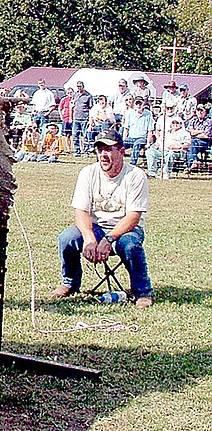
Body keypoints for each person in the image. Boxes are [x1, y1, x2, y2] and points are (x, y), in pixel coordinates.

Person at [51, 129, 153, 308]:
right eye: (100, 150)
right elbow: (81, 211)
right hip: (96, 228)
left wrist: (109, 239)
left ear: (121, 152)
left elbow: (133, 216)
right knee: (66, 239)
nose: (103, 155)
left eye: (108, 149)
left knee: (131, 246)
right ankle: (69, 283)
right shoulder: (88, 173)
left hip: (125, 230)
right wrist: (90, 238)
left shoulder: (136, 175)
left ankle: (142, 292)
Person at [121, 97, 154, 166]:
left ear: (144, 104)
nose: (138, 106)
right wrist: (124, 140)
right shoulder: (130, 113)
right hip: (131, 137)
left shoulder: (148, 114)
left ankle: (132, 164)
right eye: (137, 103)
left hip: (141, 138)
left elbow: (150, 130)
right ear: (134, 105)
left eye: (140, 104)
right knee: (119, 146)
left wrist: (148, 143)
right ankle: (117, 162)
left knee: (137, 144)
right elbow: (126, 128)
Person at [183, 104, 212, 175]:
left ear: (205, 112)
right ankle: (193, 164)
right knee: (192, 143)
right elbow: (190, 132)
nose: (199, 112)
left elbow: (206, 135)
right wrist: (201, 131)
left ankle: (190, 165)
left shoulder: (209, 121)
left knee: (192, 143)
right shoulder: (194, 119)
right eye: (198, 110)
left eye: (201, 110)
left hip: (205, 142)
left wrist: (195, 132)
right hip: (194, 141)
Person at [70, 81, 94, 155]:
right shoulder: (75, 95)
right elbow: (72, 105)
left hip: (85, 118)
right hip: (76, 118)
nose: (79, 88)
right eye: (78, 86)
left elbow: (91, 108)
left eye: (80, 86)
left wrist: (90, 120)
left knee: (85, 135)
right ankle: (77, 151)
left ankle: (86, 151)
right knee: (75, 135)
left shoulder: (88, 96)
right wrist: (71, 117)